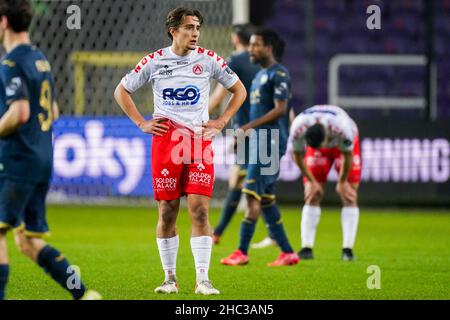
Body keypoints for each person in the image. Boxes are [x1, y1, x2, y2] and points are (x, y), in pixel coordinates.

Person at [114, 7, 246, 295]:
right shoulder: (154, 61)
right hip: (166, 142)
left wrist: (222, 121)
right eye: (188, 27)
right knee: (167, 212)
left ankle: (203, 280)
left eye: (197, 27)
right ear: (173, 30)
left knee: (199, 211)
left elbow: (240, 90)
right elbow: (121, 91)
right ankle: (170, 278)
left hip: (198, 141)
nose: (195, 32)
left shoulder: (209, 60)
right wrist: (141, 122)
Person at [0, 0, 100, 300]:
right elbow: (53, 111)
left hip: (18, 160)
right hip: (42, 159)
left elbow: (20, 113)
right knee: (28, 241)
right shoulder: (41, 60)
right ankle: (83, 294)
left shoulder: (11, 63)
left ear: (4, 23)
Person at [220, 28, 299, 267]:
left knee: (250, 193)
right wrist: (242, 135)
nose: (251, 50)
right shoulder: (258, 77)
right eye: (250, 45)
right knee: (265, 198)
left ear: (269, 48)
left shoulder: (280, 74)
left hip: (270, 141)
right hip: (258, 141)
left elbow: (280, 109)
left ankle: (241, 252)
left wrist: (247, 127)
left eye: (256, 45)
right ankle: (287, 252)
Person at [209, 23, 275, 248]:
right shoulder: (263, 63)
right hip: (267, 128)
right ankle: (273, 234)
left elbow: (218, 97)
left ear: (236, 38)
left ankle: (218, 234)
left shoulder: (235, 61)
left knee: (240, 182)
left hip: (247, 130)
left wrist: (197, 116)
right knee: (252, 182)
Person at [289, 104, 361, 261]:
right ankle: (306, 248)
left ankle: (347, 250)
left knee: (349, 194)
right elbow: (296, 154)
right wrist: (312, 181)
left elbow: (347, 156)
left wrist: (342, 182)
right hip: (318, 140)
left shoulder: (342, 128)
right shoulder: (298, 127)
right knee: (312, 193)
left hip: (346, 145)